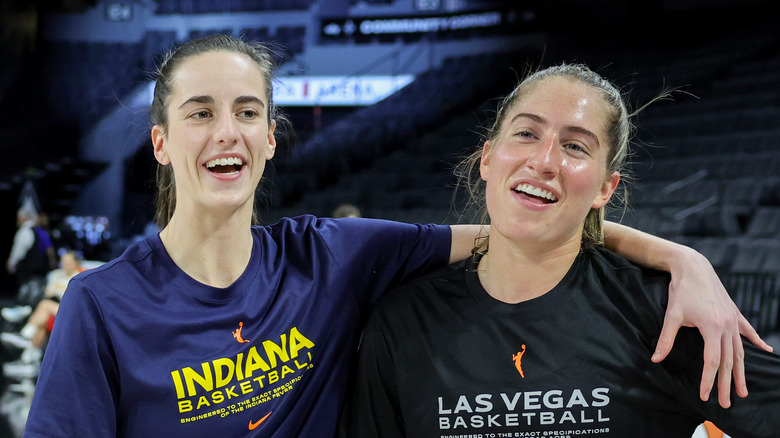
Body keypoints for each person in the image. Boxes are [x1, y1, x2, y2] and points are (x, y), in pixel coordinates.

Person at [22, 36, 770, 438]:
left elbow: (523, 230)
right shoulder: (100, 306)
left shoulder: (334, 255)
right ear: (158, 141)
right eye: (200, 113)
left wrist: (678, 256)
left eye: (248, 111)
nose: (228, 132)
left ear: (273, 138)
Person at [340, 64, 780, 437]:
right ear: (488, 159)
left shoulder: (665, 314)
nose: (545, 161)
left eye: (574, 146)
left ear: (605, 188)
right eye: (527, 133)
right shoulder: (403, 321)